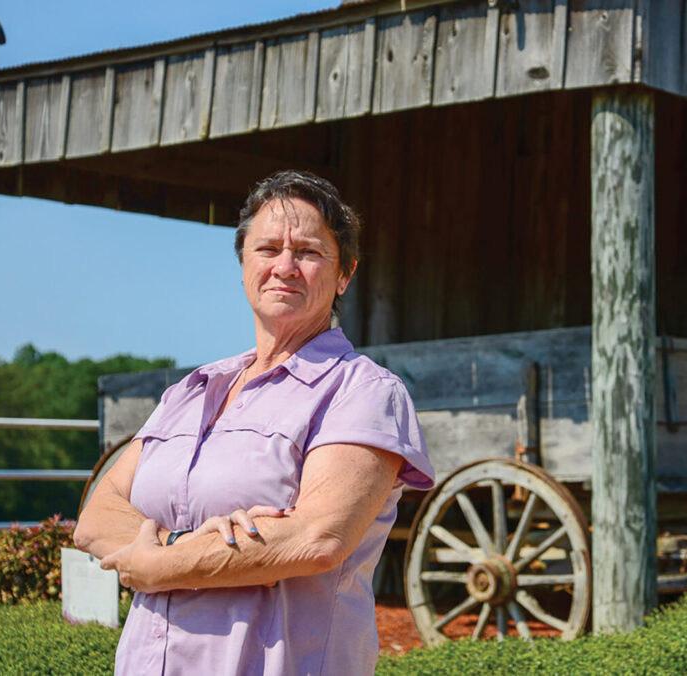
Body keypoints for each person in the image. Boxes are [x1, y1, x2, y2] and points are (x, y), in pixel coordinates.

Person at [73, 170, 435, 676]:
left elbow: (316, 538)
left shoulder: (363, 391)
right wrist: (182, 543)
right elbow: (96, 515)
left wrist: (156, 565)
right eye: (267, 249)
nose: (284, 266)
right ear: (244, 263)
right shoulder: (192, 390)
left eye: (308, 252)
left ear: (344, 274)